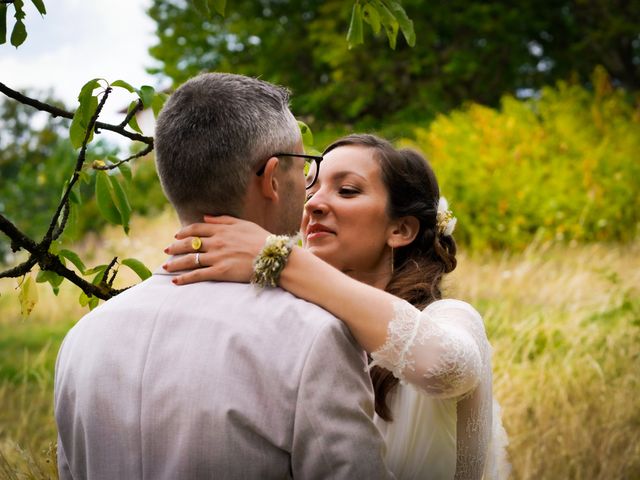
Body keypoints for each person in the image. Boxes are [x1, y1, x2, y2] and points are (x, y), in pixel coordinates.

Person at [54, 75, 394, 479]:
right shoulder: (311, 336)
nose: (310, 193)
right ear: (270, 179)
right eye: (304, 169)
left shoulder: (82, 338)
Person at [164, 134, 511, 479]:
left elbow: (443, 366)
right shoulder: (300, 323)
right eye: (310, 189)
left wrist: (282, 259)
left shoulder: (450, 317)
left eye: (346, 190)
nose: (313, 204)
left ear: (401, 229)